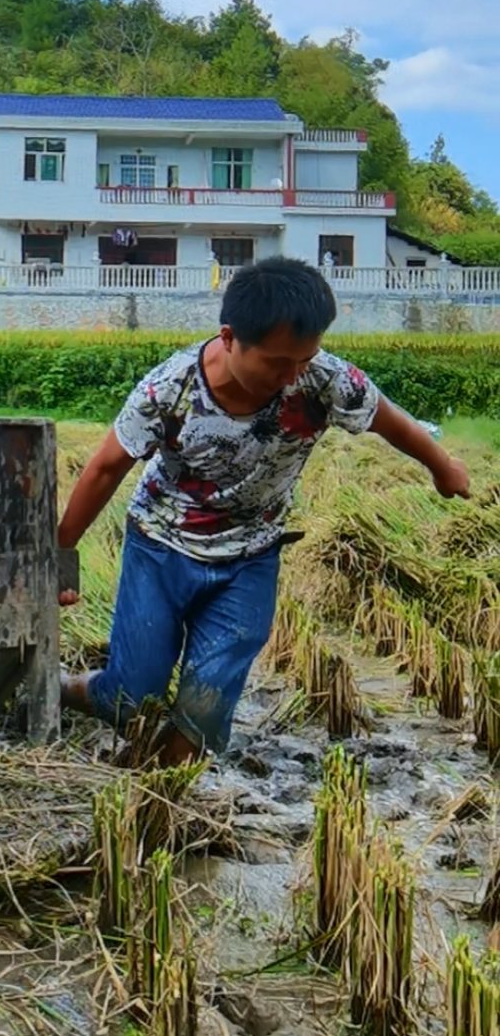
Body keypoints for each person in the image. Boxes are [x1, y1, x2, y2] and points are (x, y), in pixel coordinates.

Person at [58, 257, 470, 763]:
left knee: (203, 710)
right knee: (132, 699)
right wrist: (62, 548)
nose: (291, 375)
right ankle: (78, 690)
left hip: (250, 558)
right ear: (229, 337)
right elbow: (104, 467)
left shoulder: (322, 379)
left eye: (304, 358)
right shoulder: (170, 389)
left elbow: (388, 420)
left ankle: (158, 797)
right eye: (278, 362)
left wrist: (442, 465)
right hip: (160, 548)